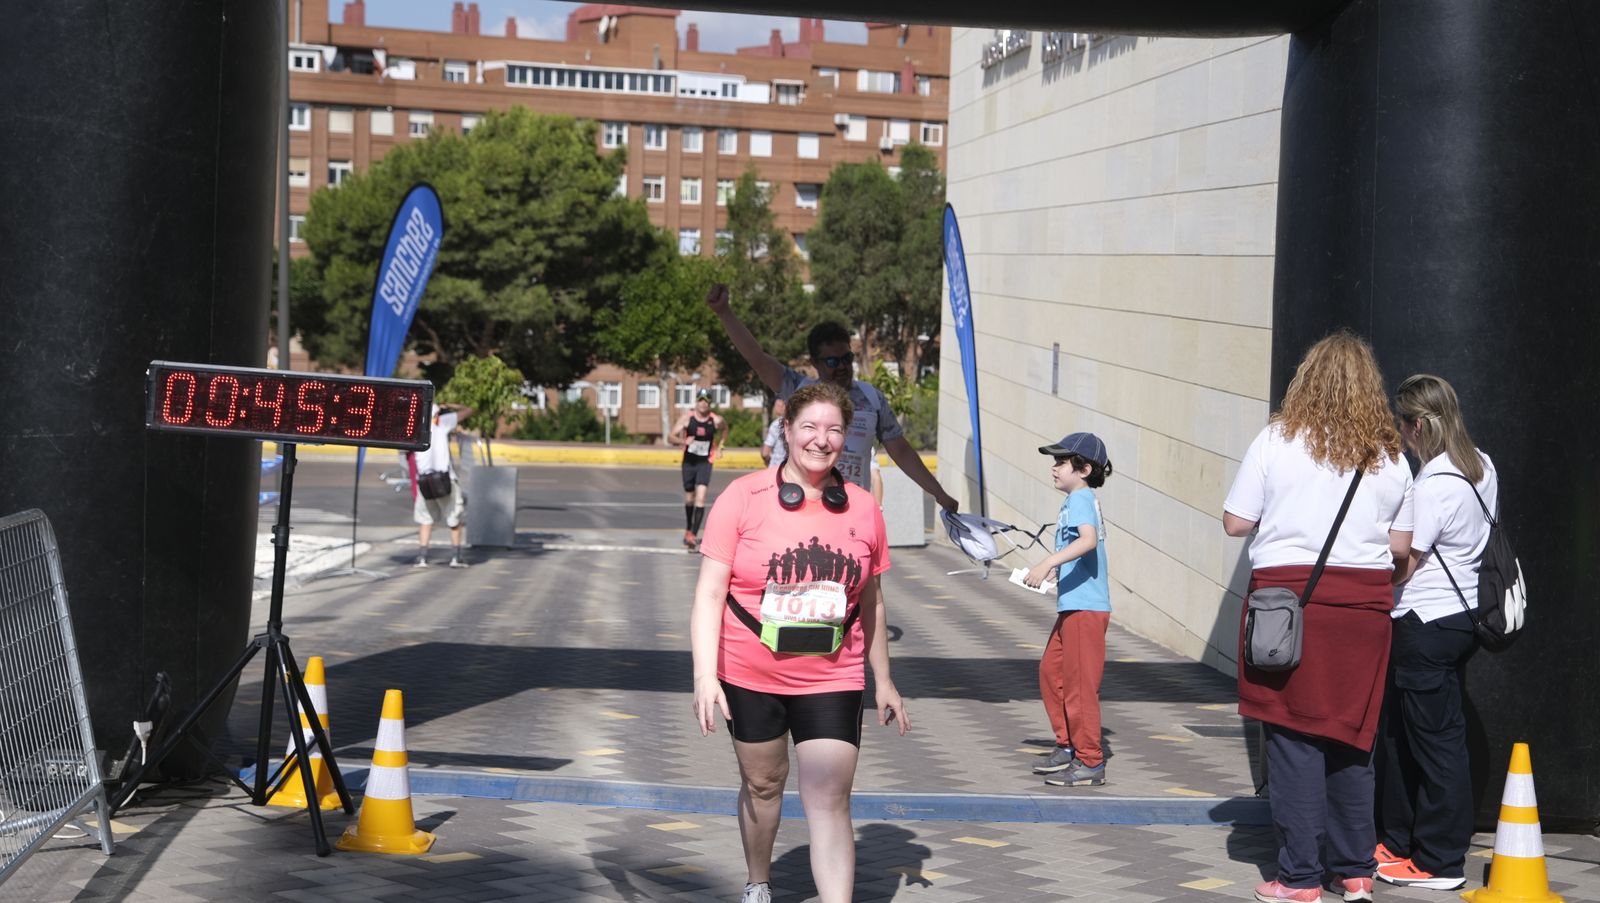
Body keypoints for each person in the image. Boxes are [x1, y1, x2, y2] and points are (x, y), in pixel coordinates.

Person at [690, 381, 910, 903]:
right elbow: (709, 594)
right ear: (786, 430)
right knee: (764, 788)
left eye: (834, 429)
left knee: (830, 798)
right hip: (749, 675)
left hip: (832, 674)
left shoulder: (862, 508)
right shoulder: (743, 498)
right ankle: (758, 881)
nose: (821, 439)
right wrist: (704, 675)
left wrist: (885, 680)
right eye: (809, 426)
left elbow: (873, 600)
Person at [1221, 331, 1413, 903]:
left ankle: (1299, 877)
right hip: (1365, 612)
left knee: (1294, 739)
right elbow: (1400, 549)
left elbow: (1235, 522)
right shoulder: (1391, 456)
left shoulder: (1276, 440)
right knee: (1353, 740)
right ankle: (1354, 871)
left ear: (1306, 380)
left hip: (1289, 607)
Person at [1374, 374, 1495, 892]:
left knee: (1437, 745)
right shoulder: (1482, 466)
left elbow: (1407, 563)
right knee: (1406, 734)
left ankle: (1440, 861)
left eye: (1403, 426)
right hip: (1463, 619)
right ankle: (1398, 843)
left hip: (1424, 624)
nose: (1401, 436)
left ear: (1419, 424)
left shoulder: (1434, 484)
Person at [706, 283, 957, 511]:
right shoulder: (799, 389)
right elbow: (757, 358)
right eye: (832, 361)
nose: (841, 367)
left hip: (849, 510)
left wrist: (939, 494)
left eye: (846, 358)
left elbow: (901, 451)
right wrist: (724, 313)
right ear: (815, 362)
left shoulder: (872, 399)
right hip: (798, 508)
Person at [1022, 432, 1113, 787]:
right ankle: (1069, 745)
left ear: (1084, 469)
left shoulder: (1080, 499)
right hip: (1075, 606)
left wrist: (1047, 563)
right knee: (1051, 673)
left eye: (1061, 462)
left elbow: (1087, 540)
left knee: (1078, 686)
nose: (1054, 467)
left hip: (1085, 610)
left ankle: (1090, 760)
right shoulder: (1078, 499)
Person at [412, 401, 473, 568]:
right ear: (437, 415)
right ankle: (456, 557)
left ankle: (422, 557)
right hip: (445, 480)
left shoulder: (415, 429)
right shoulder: (442, 424)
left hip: (424, 480)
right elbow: (469, 409)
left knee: (425, 519)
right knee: (453, 517)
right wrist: (453, 405)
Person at [670, 391, 729, 549]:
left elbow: (725, 429)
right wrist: (683, 441)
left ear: (710, 403)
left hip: (705, 462)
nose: (703, 403)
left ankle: (693, 535)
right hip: (689, 461)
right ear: (696, 402)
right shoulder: (687, 419)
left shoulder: (715, 420)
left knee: (701, 498)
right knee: (690, 497)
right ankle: (689, 528)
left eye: (707, 400)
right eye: (701, 400)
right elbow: (670, 437)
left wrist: (721, 446)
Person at [760, 398, 787, 468]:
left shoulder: (776, 425)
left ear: (782, 407)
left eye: (777, 405)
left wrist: (767, 462)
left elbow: (765, 452)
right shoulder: (795, 423)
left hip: (776, 466)